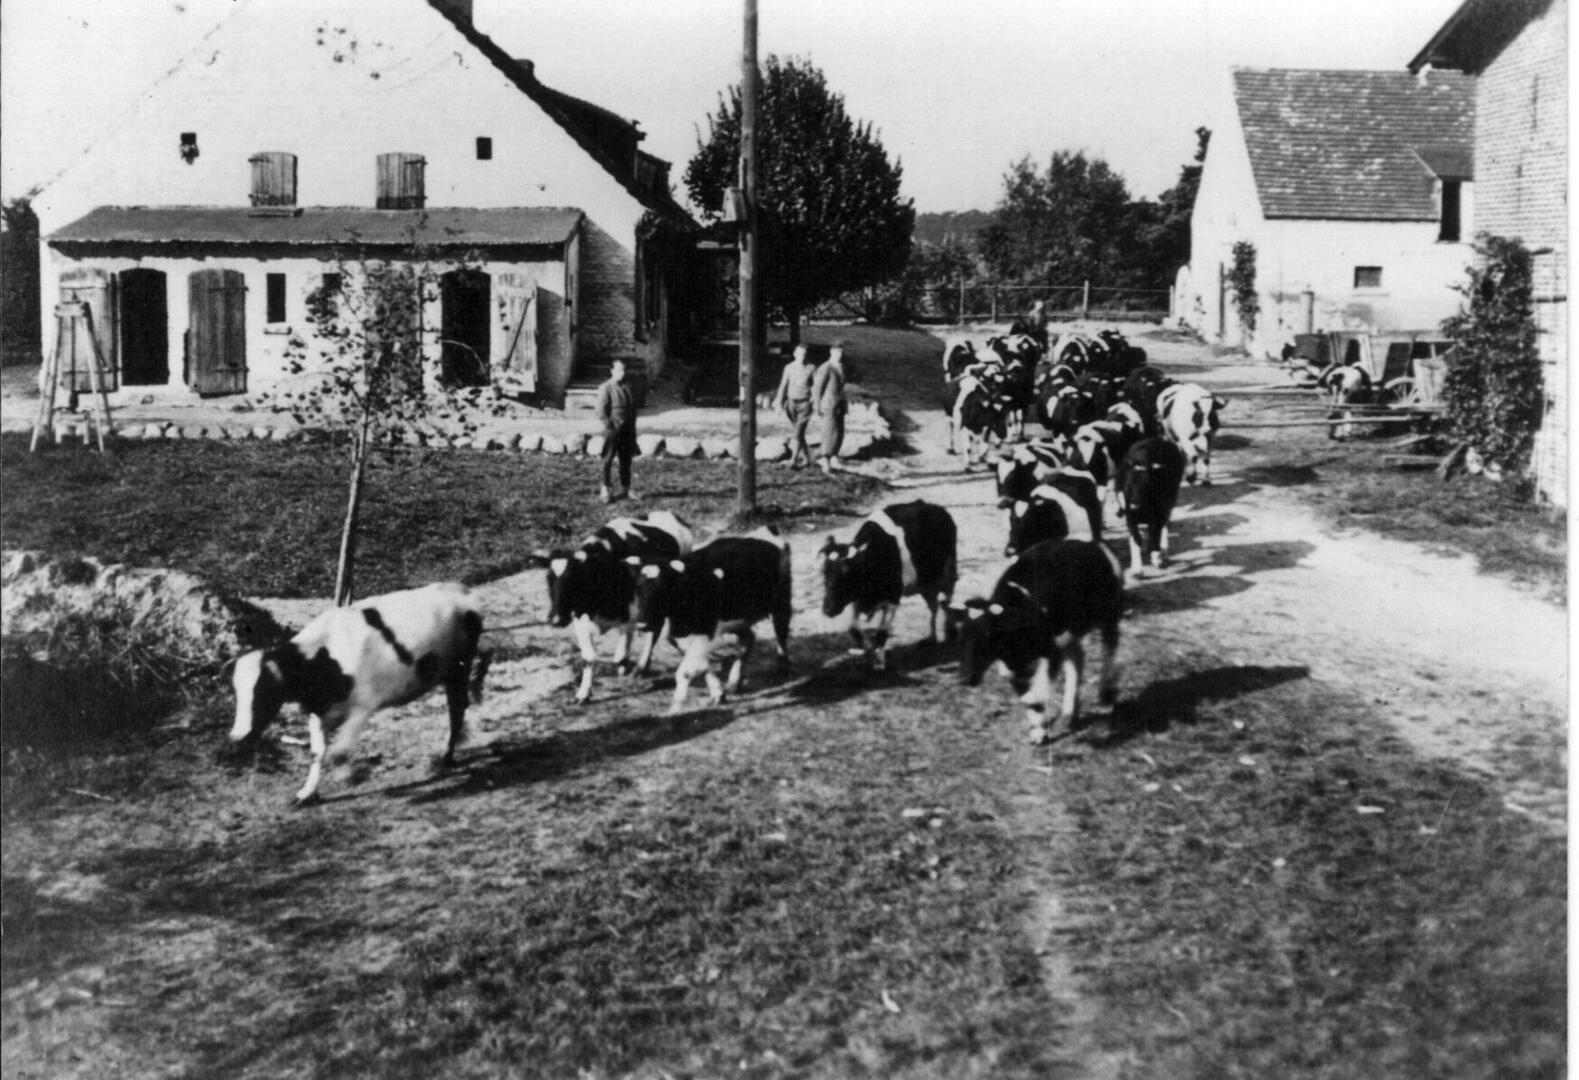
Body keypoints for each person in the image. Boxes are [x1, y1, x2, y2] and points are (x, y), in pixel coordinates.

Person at [595, 358, 639, 502]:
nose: (622, 373)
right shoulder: (606, 387)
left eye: (624, 370)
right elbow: (601, 411)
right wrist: (611, 426)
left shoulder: (628, 387)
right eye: (619, 370)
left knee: (626, 460)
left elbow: (633, 408)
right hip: (613, 429)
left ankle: (626, 488)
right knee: (607, 460)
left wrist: (631, 427)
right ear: (612, 371)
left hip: (627, 429)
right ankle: (605, 489)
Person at [772, 343, 819, 469]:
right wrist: (779, 403)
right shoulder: (789, 368)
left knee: (798, 432)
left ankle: (793, 459)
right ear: (795, 355)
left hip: (805, 404)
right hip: (791, 403)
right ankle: (808, 458)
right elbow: (783, 385)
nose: (802, 357)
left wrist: (815, 401)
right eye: (799, 354)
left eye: (804, 354)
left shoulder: (811, 368)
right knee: (799, 432)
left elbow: (816, 387)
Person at [811, 340, 849, 473]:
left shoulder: (842, 367)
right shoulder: (825, 367)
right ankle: (825, 460)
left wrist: (845, 403)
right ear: (831, 352)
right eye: (836, 351)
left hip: (839, 404)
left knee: (839, 432)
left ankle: (834, 456)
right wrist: (816, 408)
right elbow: (817, 389)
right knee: (829, 432)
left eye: (841, 352)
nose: (839, 354)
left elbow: (842, 388)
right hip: (828, 405)